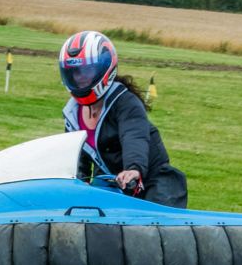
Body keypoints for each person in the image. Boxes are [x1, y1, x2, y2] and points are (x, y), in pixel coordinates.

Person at [59, 30, 188, 208]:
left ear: (104, 69)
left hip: (153, 180)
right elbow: (78, 156)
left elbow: (134, 136)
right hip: (111, 181)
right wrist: (79, 182)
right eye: (75, 72)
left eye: (86, 70)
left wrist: (133, 169)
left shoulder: (125, 102)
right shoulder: (72, 113)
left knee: (152, 225)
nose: (80, 77)